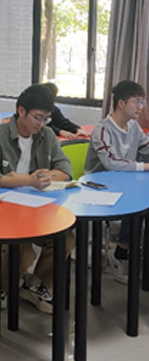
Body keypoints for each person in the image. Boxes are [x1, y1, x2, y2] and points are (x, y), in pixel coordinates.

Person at [0, 84, 76, 314]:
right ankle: (1, 286)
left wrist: (44, 178)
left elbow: (65, 168)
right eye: (38, 117)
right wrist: (28, 180)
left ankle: (35, 284)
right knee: (22, 251)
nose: (41, 123)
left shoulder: (46, 135)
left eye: (46, 118)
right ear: (21, 111)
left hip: (38, 208)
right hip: (3, 208)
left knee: (65, 239)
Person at [84, 80, 149, 284]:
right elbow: (111, 163)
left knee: (143, 203)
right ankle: (121, 253)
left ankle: (137, 255)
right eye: (136, 102)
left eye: (142, 102)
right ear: (121, 103)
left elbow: (146, 148)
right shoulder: (103, 130)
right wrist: (145, 166)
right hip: (99, 187)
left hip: (126, 182)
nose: (141, 107)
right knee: (136, 204)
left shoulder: (134, 127)